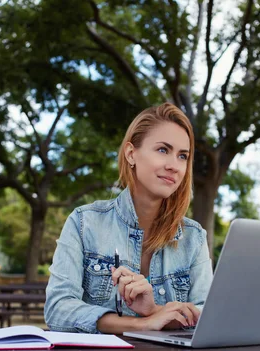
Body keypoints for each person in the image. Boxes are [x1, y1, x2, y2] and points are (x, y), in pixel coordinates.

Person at [44, 103, 213, 334]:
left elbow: (208, 315)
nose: (174, 166)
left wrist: (153, 310)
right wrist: (140, 324)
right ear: (131, 153)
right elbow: (58, 310)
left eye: (182, 156)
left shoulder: (193, 237)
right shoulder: (85, 223)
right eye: (163, 150)